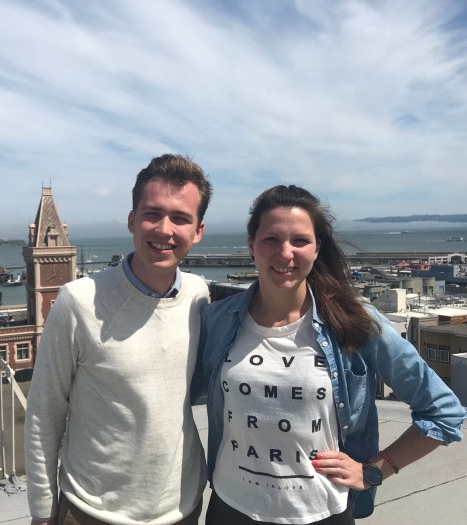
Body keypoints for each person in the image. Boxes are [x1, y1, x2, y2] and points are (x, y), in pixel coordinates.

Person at [194, 185, 467, 525]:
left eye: (299, 240)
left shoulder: (356, 323)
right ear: (251, 245)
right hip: (231, 507)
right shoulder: (217, 319)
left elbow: (443, 411)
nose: (285, 253)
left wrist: (375, 470)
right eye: (271, 239)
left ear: (317, 248)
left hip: (321, 513)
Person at [25, 154, 214, 525]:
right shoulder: (77, 300)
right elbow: (44, 414)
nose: (164, 229)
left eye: (180, 218)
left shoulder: (198, 294)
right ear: (132, 220)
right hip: (91, 510)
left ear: (198, 231)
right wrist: (43, 511)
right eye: (152, 214)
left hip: (183, 506)